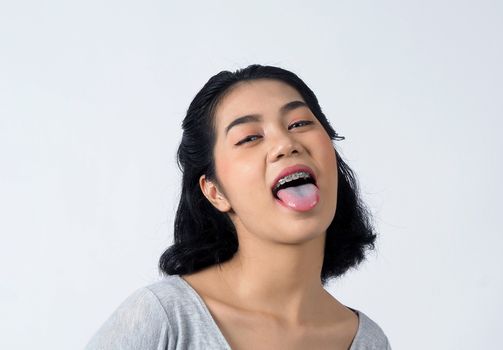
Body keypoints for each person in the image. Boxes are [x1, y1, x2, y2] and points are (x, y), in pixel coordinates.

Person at [86, 64, 391, 349]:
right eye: (249, 138)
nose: (285, 143)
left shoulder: (366, 340)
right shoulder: (164, 316)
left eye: (299, 123)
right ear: (215, 191)